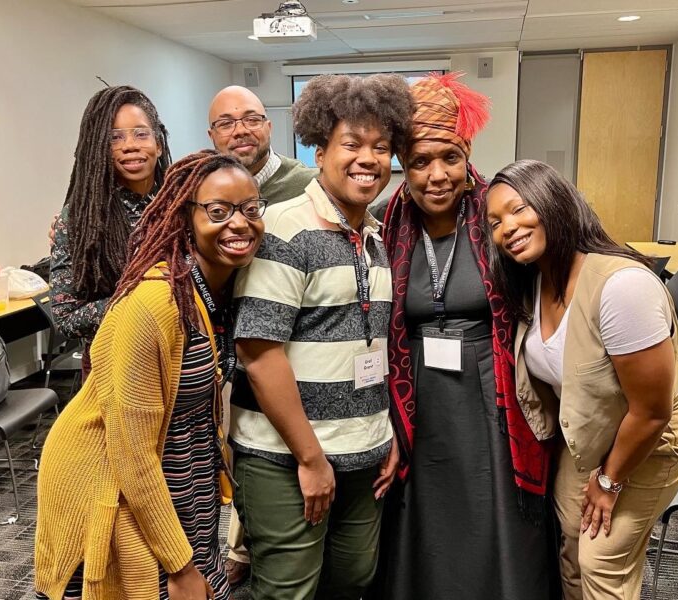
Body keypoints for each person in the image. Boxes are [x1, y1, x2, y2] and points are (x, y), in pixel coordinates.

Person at [34, 150, 266, 599]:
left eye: (251, 209)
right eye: (218, 211)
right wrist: (179, 564)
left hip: (177, 473)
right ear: (183, 217)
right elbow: (132, 452)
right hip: (110, 480)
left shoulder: (215, 289)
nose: (240, 223)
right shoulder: (154, 304)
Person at [370, 73, 557, 599]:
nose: (436, 175)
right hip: (416, 394)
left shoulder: (497, 214)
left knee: (491, 502)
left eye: (449, 158)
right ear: (403, 166)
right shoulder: (387, 223)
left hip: (490, 391)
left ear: (467, 153)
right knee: (426, 510)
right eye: (420, 162)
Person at [228, 73, 414, 600]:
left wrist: (383, 433)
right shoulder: (284, 229)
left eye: (381, 147)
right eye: (351, 144)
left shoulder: (374, 237)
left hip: (362, 453)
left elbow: (368, 346)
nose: (368, 159)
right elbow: (259, 356)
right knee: (290, 590)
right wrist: (311, 459)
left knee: (352, 577)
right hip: (286, 457)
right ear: (319, 148)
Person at [485, 159, 678, 600]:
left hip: (651, 440)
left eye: (519, 208)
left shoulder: (622, 288)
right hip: (590, 432)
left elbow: (652, 412)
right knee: (572, 541)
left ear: (554, 204)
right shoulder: (535, 282)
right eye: (495, 222)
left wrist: (609, 482)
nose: (507, 227)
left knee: (601, 559)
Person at [207, 84, 318, 586]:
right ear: (212, 135)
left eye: (251, 118)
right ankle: (243, 538)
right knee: (237, 441)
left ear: (271, 126)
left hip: (289, 343)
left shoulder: (308, 185)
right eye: (227, 123)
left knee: (281, 436)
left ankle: (257, 543)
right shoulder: (205, 186)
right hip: (221, 345)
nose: (241, 130)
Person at [50, 85, 171, 378]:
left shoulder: (183, 205)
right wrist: (142, 298)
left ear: (158, 142)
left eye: (141, 133)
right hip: (116, 370)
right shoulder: (83, 219)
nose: (130, 145)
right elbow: (65, 317)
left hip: (185, 364)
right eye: (114, 138)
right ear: (99, 149)